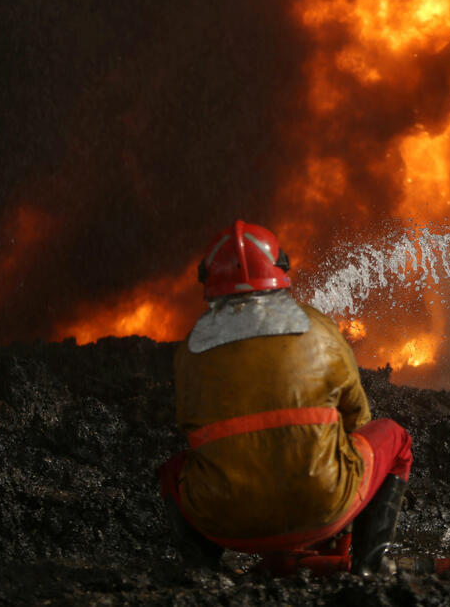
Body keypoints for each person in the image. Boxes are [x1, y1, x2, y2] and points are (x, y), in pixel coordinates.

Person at [158, 220, 413, 575]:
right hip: (325, 509)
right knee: (394, 438)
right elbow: (358, 420)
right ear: (280, 271)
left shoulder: (191, 350)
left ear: (208, 282)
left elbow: (191, 430)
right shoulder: (321, 330)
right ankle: (367, 565)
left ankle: (202, 571)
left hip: (226, 524)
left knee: (174, 469)